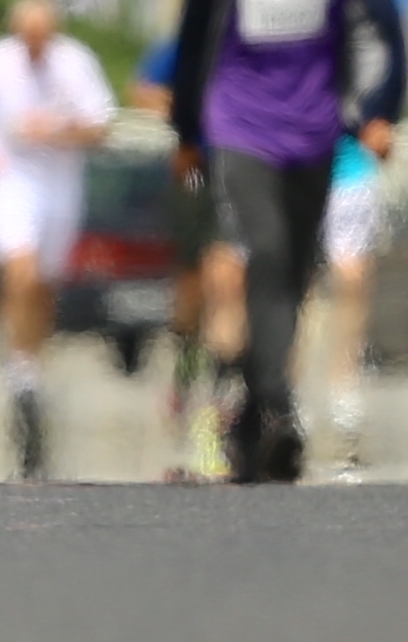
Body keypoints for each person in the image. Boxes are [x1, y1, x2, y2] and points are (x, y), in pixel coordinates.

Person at [171, 0, 408, 485]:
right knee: (268, 252)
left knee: (296, 273)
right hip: (240, 131)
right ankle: (275, 404)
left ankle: (253, 406)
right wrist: (188, 134)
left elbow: (383, 33)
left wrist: (380, 112)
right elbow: (193, 43)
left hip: (316, 132)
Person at [0, 0, 117, 481]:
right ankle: (18, 369)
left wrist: (58, 132)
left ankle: (30, 361)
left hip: (59, 182)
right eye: (28, 35)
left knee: (44, 282)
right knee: (19, 269)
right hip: (9, 180)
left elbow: (101, 126)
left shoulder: (76, 62)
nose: (35, 45)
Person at [133, 35, 228, 482]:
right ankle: (186, 375)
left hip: (246, 172)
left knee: (229, 282)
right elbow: (144, 91)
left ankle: (221, 400)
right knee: (192, 289)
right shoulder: (188, 43)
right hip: (197, 173)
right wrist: (192, 112)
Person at [316, 128, 386, 478]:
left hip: (349, 170)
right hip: (284, 162)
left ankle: (343, 392)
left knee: (351, 282)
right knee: (295, 284)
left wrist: (382, 119)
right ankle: (288, 397)